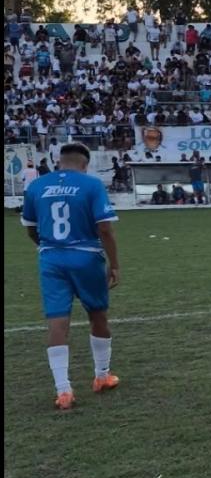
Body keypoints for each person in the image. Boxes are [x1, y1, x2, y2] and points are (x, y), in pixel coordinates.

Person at [21, 143, 118, 412]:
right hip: (86, 257)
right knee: (97, 314)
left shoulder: (37, 186)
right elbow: (106, 228)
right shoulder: (91, 184)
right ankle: (102, 376)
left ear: (59, 162)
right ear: (85, 164)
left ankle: (63, 391)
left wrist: (44, 247)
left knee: (57, 321)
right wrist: (115, 264)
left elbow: (30, 228)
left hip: (51, 258)